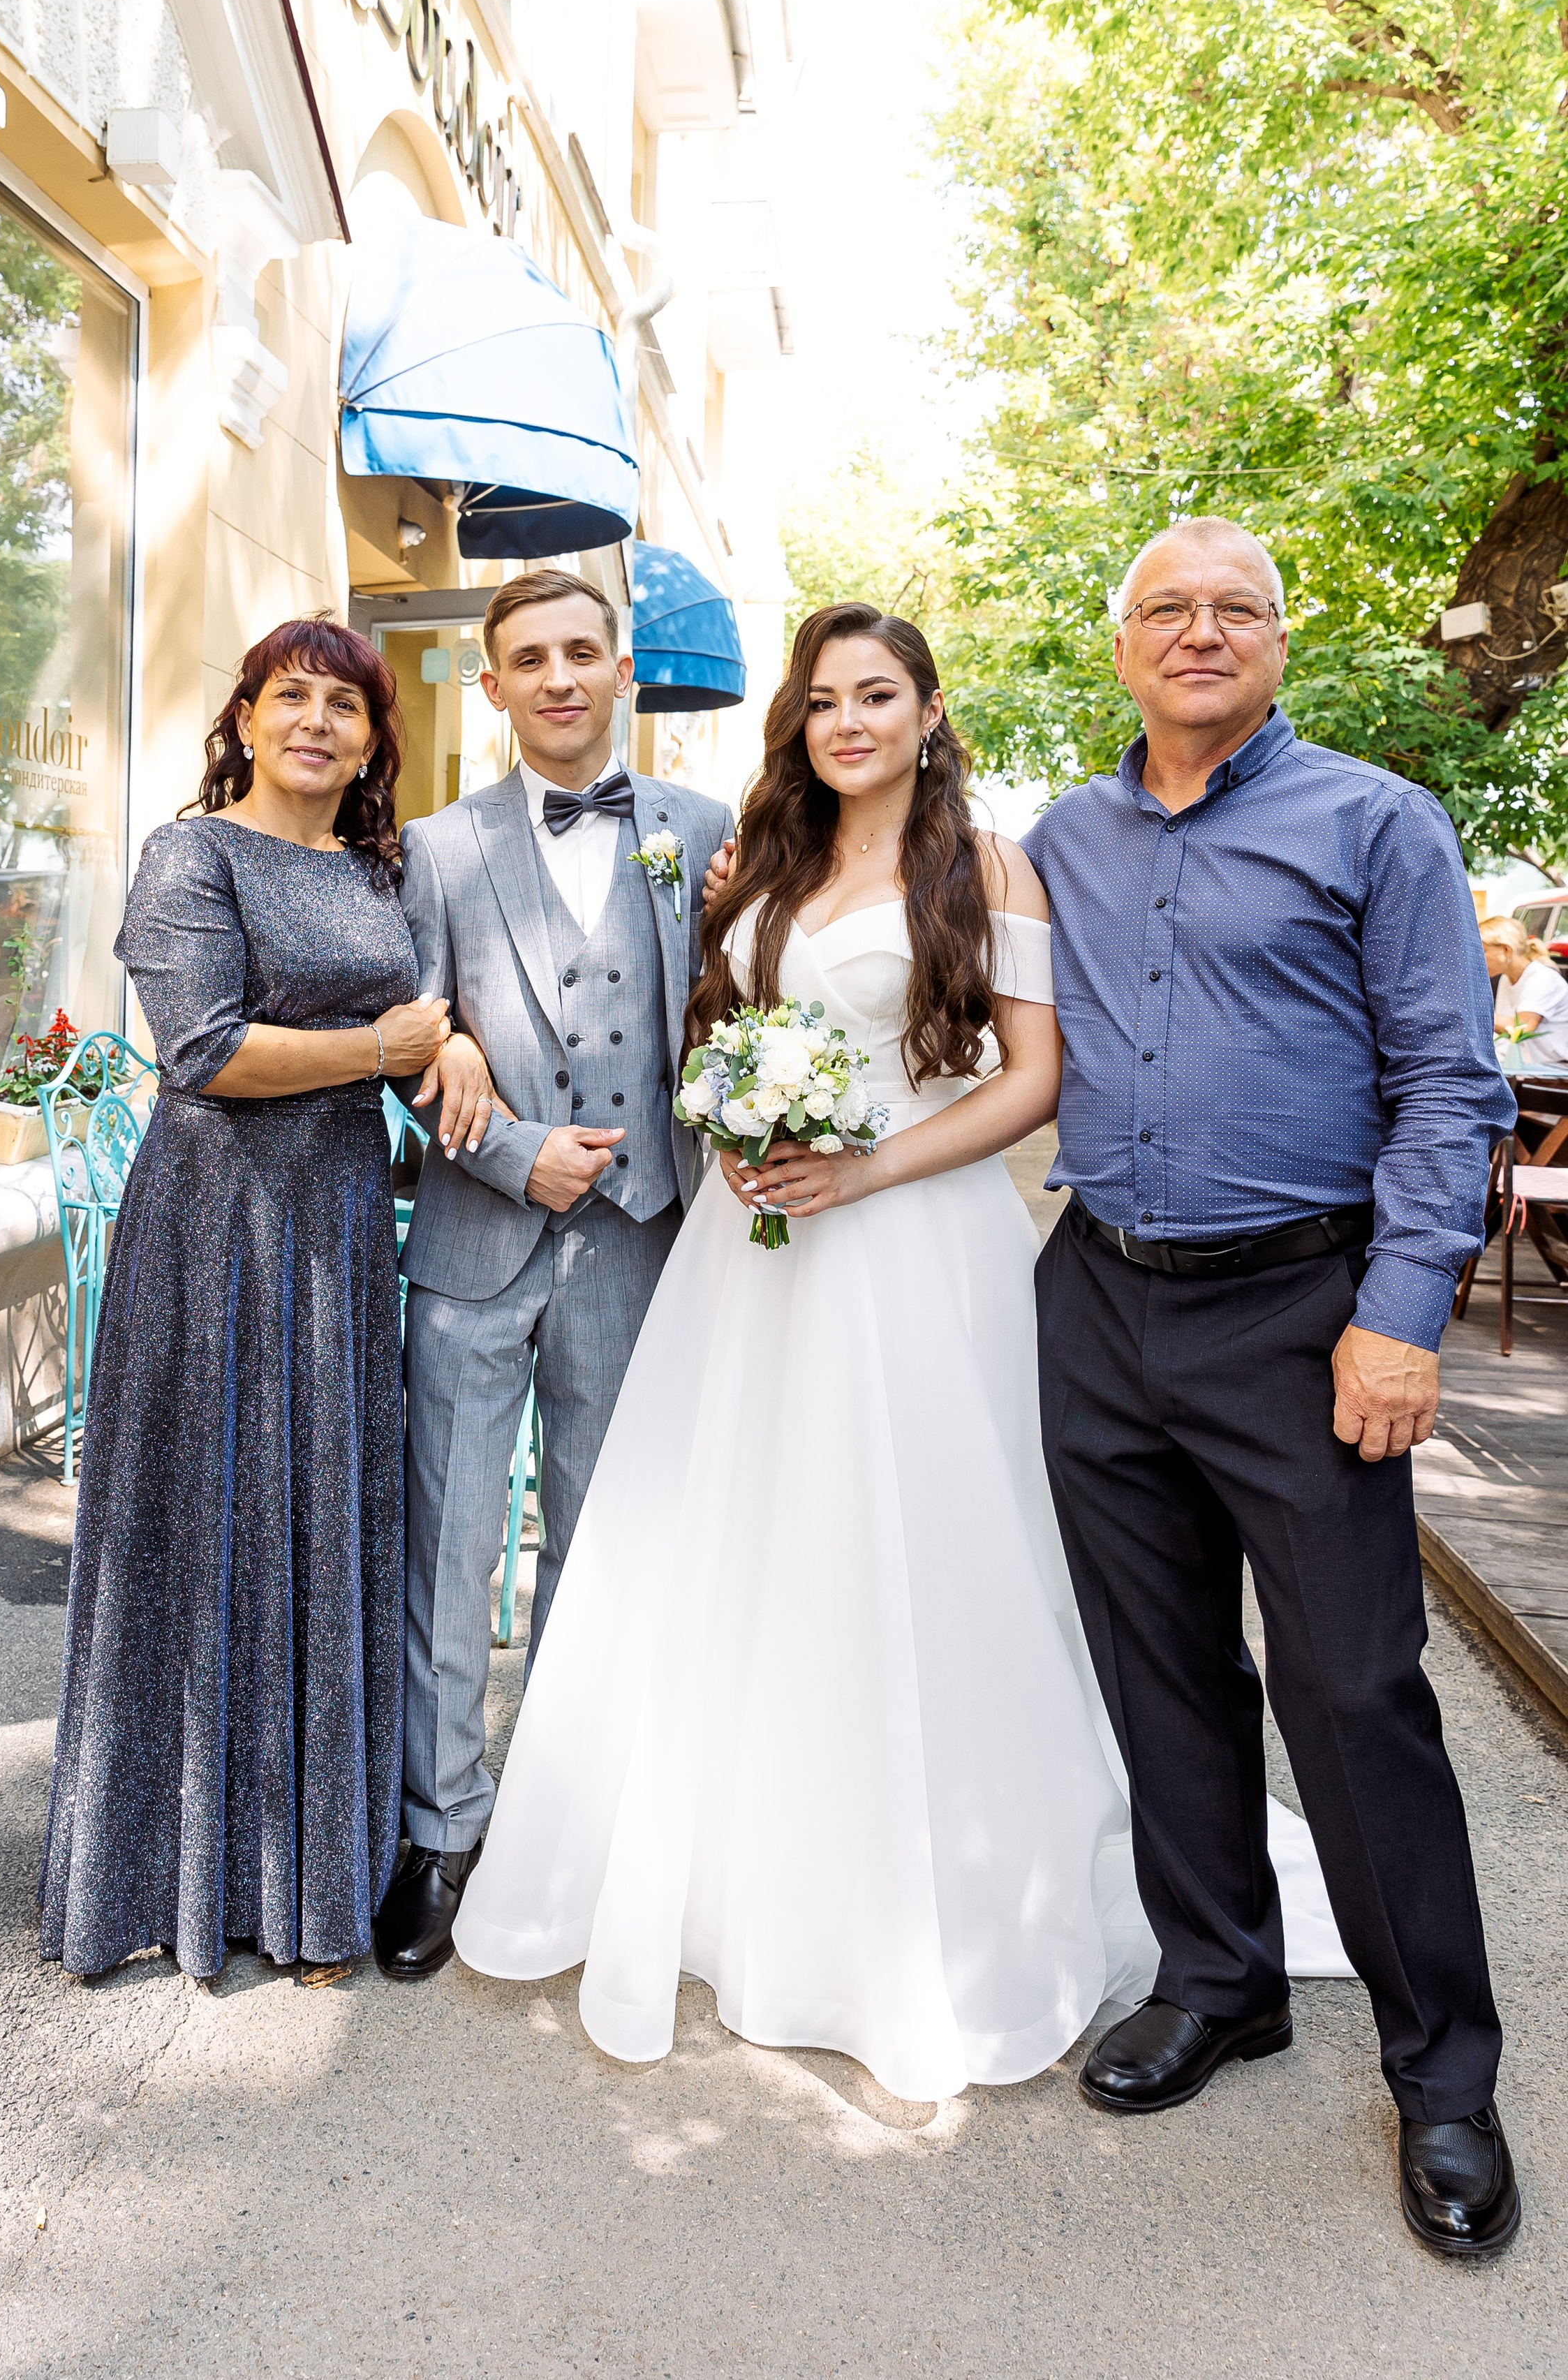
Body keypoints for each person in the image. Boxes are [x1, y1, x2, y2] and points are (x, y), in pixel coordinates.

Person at [452, 603, 1348, 2097]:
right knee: (742, 1549)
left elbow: (1035, 1077)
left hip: (912, 1246)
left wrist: (866, 1166)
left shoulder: (984, 868)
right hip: (748, 1264)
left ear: (930, 711)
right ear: (796, 725)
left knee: (927, 1551)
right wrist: (735, 1117)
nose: (848, 720)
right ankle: (742, 1868)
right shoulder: (761, 863)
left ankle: (969, 1892)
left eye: (878, 694)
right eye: (822, 700)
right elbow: (702, 1034)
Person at [1021, 519, 1521, 2259]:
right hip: (1097, 1299)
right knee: (1157, 1672)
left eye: (1236, 607)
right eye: (1165, 605)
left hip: (1299, 1311)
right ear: (1119, 643)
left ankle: (1443, 2078)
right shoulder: (1057, 841)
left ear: (1278, 640)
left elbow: (1448, 1088)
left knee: (1352, 1691)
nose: (1199, 630)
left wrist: (1397, 1315)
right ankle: (1220, 1979)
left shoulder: (1372, 822)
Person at [40, 616, 493, 1982]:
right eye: (288, 697)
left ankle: (308, 1890)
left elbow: (433, 1009)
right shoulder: (189, 855)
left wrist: (447, 1044)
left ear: (371, 738)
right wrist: (390, 1043)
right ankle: (172, 1877)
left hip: (341, 1228)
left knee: (320, 1524)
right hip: (214, 1233)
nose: (315, 722)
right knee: (202, 1528)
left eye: (343, 707)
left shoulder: (376, 868)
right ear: (243, 718)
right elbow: (201, 1047)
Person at [373, 568, 733, 1981]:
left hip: (642, 1238)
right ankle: (439, 1831)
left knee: (599, 1548)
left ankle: (572, 1822)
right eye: (529, 658)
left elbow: (754, 999)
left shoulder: (704, 835)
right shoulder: (436, 850)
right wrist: (507, 1140)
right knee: (447, 1547)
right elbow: (397, 1044)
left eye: (581, 651)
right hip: (474, 1242)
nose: (559, 676)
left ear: (622, 667)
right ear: (494, 685)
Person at [1481, 913, 1568, 1072]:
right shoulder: (1506, 979)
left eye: (1483, 951)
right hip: (1523, 1067)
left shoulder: (1543, 978)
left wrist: (1474, 1012)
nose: (1478, 958)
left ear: (1506, 950)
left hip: (1554, 1071)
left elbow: (1520, 1028)